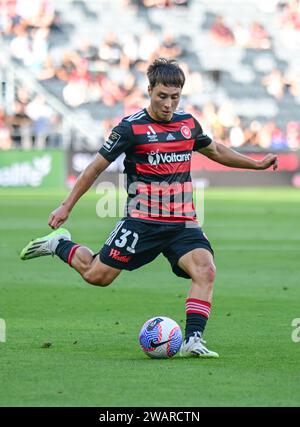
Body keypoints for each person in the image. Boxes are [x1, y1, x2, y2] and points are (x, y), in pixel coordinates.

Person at [20, 58, 278, 358]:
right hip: (141, 222)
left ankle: (193, 340)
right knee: (96, 275)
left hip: (183, 223)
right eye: (162, 96)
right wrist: (66, 206)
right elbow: (94, 168)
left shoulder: (188, 125)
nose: (168, 104)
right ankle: (59, 244)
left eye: (175, 97)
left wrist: (256, 164)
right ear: (150, 90)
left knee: (205, 270)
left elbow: (216, 150)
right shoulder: (131, 128)